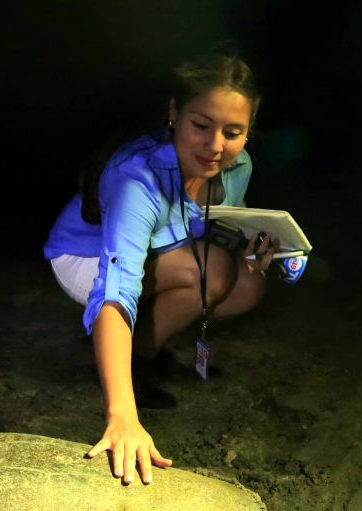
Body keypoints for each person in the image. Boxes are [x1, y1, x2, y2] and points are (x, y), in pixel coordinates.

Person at [43, 53, 278, 486]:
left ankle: (138, 356)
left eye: (233, 132)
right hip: (86, 256)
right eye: (201, 125)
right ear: (175, 113)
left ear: (249, 130)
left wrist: (254, 252)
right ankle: (119, 367)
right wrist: (123, 417)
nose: (214, 147)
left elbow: (221, 226)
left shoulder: (237, 166)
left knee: (244, 282)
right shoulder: (138, 178)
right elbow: (116, 287)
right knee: (212, 274)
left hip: (162, 249)